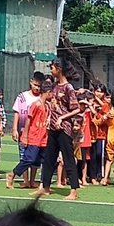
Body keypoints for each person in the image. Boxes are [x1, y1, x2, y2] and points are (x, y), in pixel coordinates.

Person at [35, 59, 83, 201]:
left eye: (52, 67)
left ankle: (73, 190)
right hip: (53, 127)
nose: (51, 70)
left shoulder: (68, 88)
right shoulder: (54, 86)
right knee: (49, 158)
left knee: (68, 159)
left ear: (59, 69)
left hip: (64, 129)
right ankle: (45, 187)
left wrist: (62, 118)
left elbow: (76, 109)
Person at [12, 74, 49, 189]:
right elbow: (17, 112)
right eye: (35, 85)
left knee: (36, 159)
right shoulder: (22, 96)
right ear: (31, 82)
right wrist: (14, 129)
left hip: (40, 134)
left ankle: (32, 180)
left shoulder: (43, 100)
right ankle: (25, 180)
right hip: (25, 131)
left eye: (39, 86)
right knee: (25, 156)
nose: (37, 88)